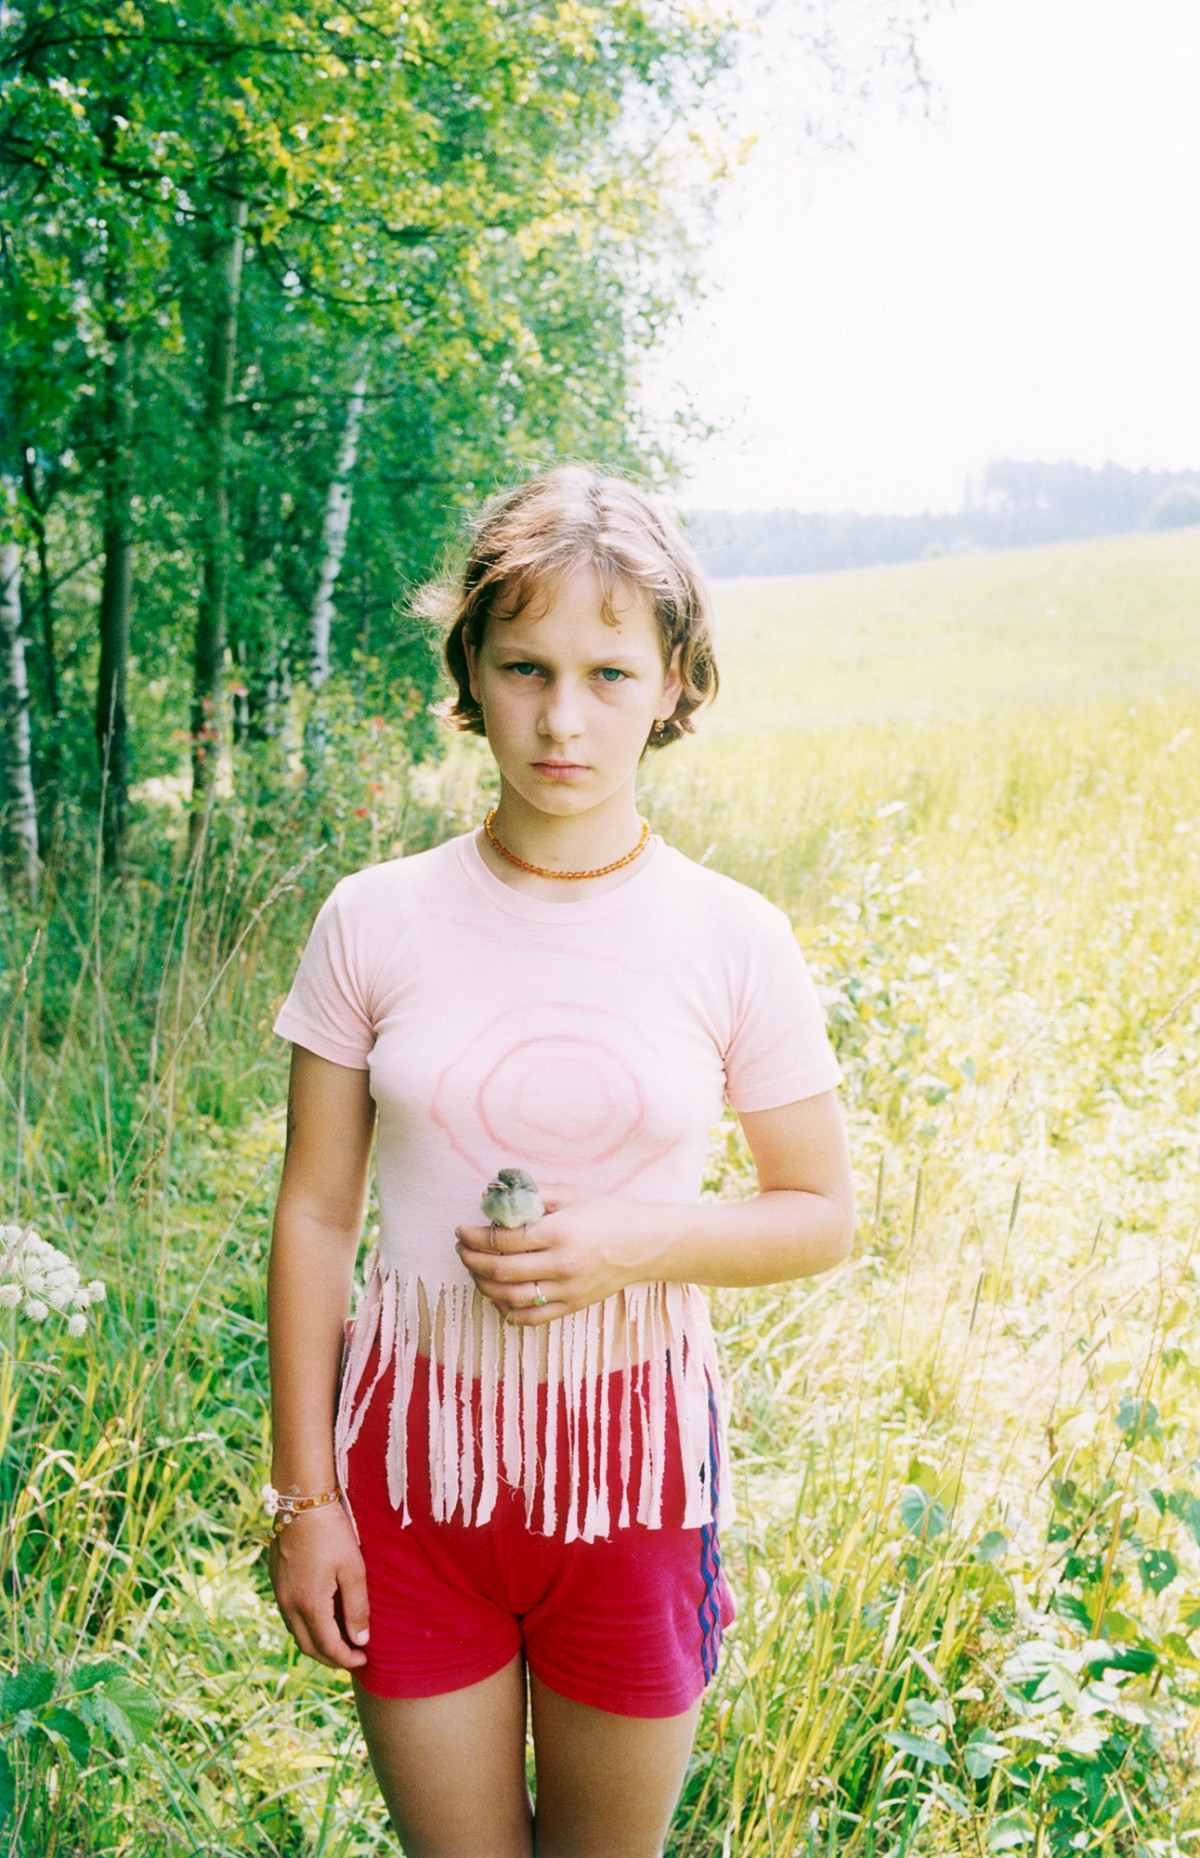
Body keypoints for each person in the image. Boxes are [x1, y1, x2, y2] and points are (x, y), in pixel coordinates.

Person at [266, 465, 855, 1858]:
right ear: (469, 669)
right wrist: (306, 1498)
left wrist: (631, 1241)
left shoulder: (731, 936)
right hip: (411, 1482)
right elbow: (311, 1215)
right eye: (524, 666)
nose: (562, 716)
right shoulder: (373, 920)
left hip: (634, 1479)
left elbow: (820, 1211)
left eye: (608, 670)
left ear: (674, 682)